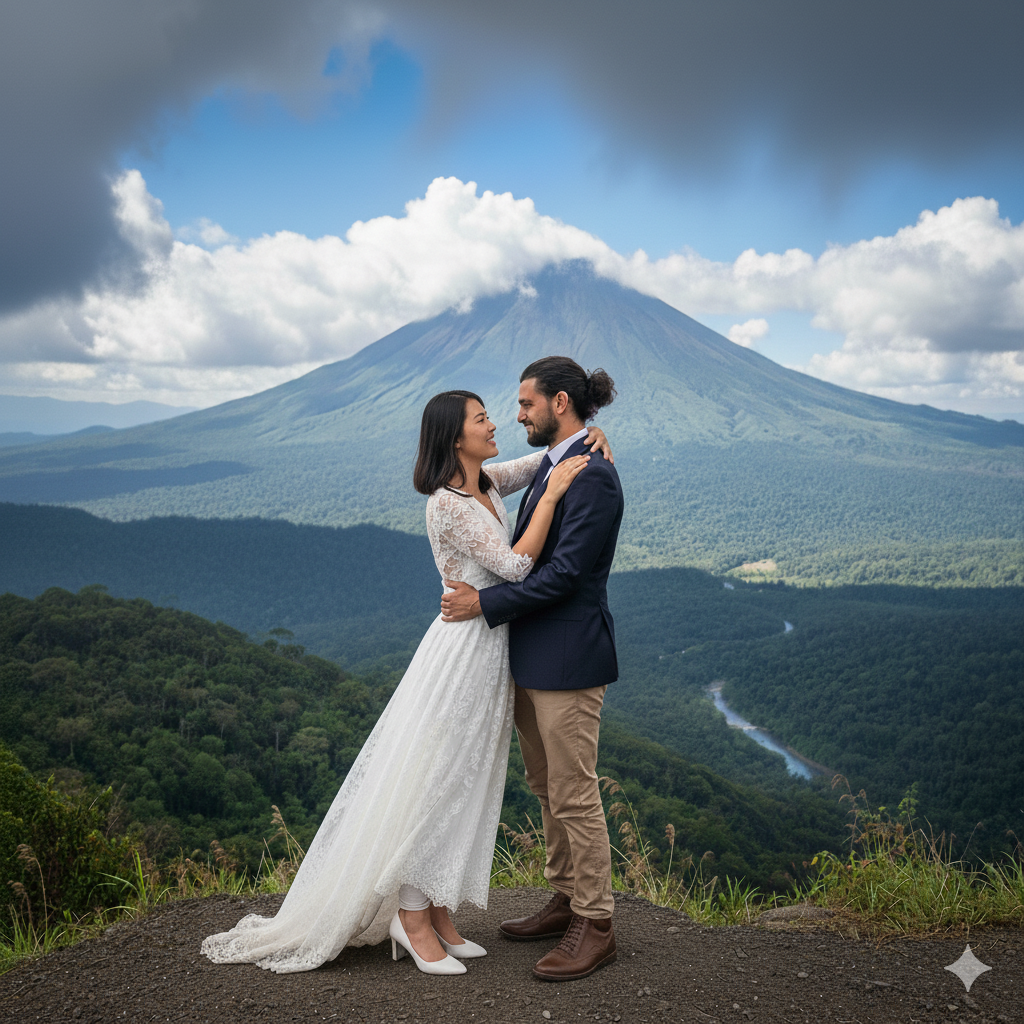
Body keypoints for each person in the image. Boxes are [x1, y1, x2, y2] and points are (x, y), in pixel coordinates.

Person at [200, 389, 612, 976]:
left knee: (463, 781)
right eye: (482, 418)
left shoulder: (487, 482)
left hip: (495, 653)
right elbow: (518, 565)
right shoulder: (447, 504)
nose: (497, 421)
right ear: (454, 437)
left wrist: (588, 440)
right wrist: (558, 494)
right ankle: (410, 914)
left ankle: (438, 911)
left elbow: (543, 463)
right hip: (464, 655)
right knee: (437, 779)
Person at [441, 356, 622, 982]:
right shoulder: (554, 463)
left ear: (560, 403)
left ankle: (595, 923)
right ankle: (567, 896)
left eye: (525, 405)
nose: (516, 415)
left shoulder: (592, 477)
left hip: (568, 659)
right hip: (531, 657)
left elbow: (566, 574)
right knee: (547, 788)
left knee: (575, 793)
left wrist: (483, 603)